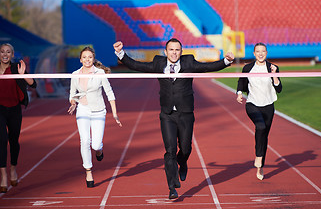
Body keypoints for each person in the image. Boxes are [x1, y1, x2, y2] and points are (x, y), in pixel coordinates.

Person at [113, 38, 234, 199]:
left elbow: (207, 67)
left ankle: (182, 162)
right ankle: (172, 187)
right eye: (171, 50)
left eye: (177, 50)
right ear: (165, 51)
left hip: (186, 114)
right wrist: (121, 53)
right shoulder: (158, 63)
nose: (174, 53)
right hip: (167, 114)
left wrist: (226, 60)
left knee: (185, 149)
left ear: (181, 51)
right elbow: (137, 65)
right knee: (169, 151)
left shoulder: (189, 62)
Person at [68, 46, 122, 188]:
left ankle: (99, 150)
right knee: (84, 141)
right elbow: (72, 94)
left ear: (93, 59)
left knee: (95, 144)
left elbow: (109, 93)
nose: (87, 59)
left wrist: (115, 113)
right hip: (83, 110)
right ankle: (88, 170)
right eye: (84, 57)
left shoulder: (100, 73)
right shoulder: (75, 74)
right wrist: (73, 102)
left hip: (98, 110)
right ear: (80, 60)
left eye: (90, 57)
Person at [236, 42, 282, 180]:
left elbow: (279, 89)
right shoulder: (248, 68)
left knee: (264, 136)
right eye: (258, 51)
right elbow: (241, 83)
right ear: (254, 53)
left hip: (268, 105)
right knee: (260, 126)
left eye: (263, 51)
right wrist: (239, 93)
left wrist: (274, 75)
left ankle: (260, 164)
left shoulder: (273, 67)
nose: (261, 53)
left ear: (266, 53)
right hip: (252, 104)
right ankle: (258, 157)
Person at [0, 43, 37, 193]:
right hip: (0, 109)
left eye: (8, 52)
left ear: (12, 55)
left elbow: (33, 84)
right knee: (1, 140)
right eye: (2, 51)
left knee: (13, 140)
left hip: (14, 109)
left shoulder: (16, 68)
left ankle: (13, 169)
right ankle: (3, 175)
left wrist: (23, 75)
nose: (5, 54)